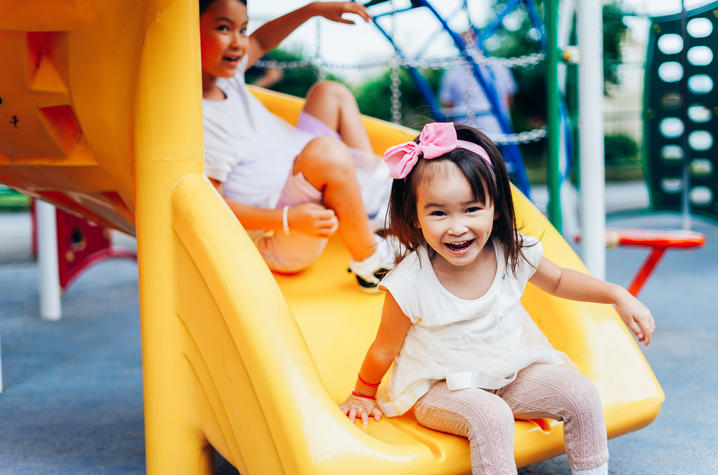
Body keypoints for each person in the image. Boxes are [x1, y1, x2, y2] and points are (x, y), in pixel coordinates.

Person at [339, 122, 656, 474]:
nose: (457, 226)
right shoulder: (410, 282)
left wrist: (617, 295)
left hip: (508, 374)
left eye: (472, 209)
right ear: (415, 217)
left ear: (497, 208)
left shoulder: (511, 251)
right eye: (438, 213)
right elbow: (384, 347)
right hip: (439, 389)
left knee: (580, 394)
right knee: (490, 418)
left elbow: (561, 280)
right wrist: (363, 393)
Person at [199, 0, 393, 291]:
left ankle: (372, 198)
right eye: (224, 28)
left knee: (329, 93)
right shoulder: (199, 118)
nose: (239, 43)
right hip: (281, 232)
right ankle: (370, 262)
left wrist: (313, 9)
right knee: (326, 152)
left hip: (295, 166)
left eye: (242, 29)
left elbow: (262, 40)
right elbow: (210, 207)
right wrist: (288, 219)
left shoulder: (227, 76)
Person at [439, 32, 516, 135]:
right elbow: (448, 106)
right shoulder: (452, 73)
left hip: (495, 132)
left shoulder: (498, 67)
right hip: (470, 135)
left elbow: (508, 99)